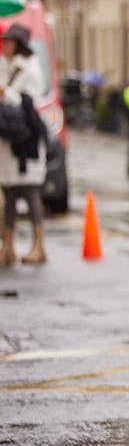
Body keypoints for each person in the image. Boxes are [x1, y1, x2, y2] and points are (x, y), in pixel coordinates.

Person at [0, 24, 49, 265]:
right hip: (9, 144)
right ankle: (7, 246)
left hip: (25, 144)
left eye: (9, 41)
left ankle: (38, 245)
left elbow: (28, 103)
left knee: (30, 195)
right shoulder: (5, 66)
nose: (5, 45)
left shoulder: (29, 69)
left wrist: (5, 93)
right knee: (9, 195)